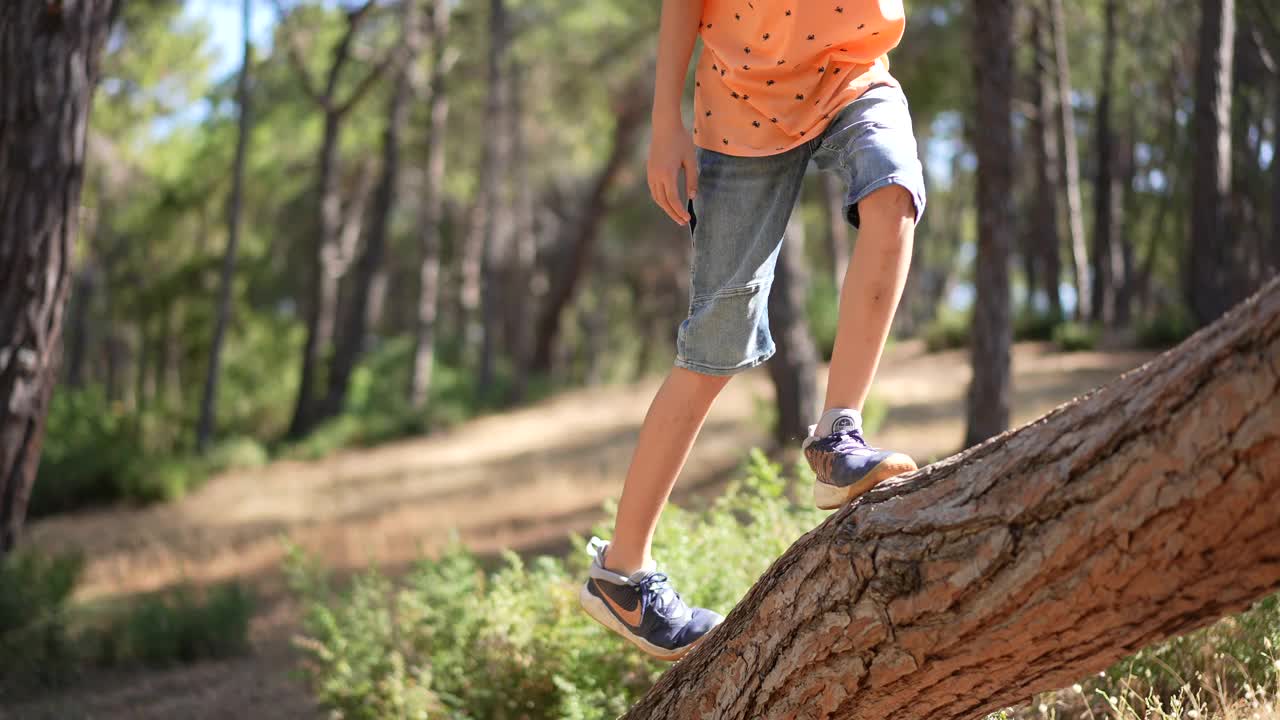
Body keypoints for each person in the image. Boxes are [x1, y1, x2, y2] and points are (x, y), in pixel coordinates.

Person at [578, 0, 926, 662]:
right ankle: (621, 576)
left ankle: (837, 437)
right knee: (715, 345)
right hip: (742, 110)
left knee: (894, 191)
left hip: (850, 70)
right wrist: (664, 123)